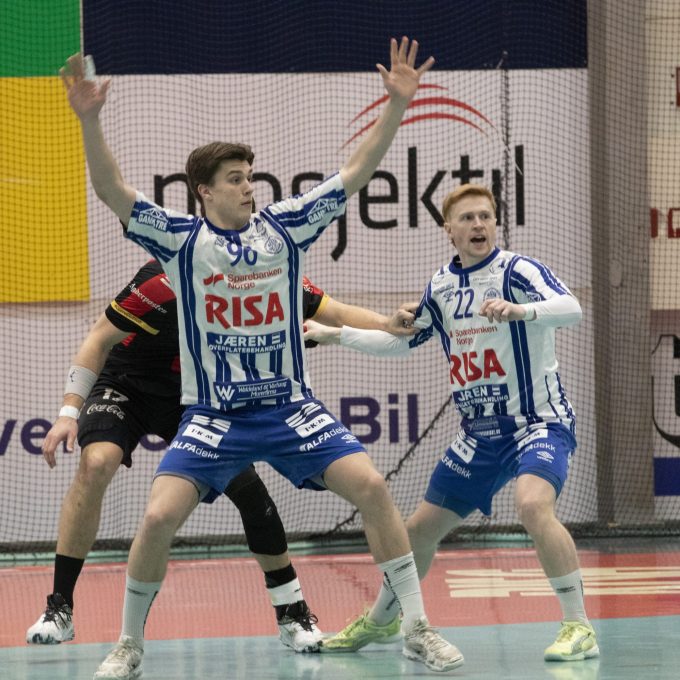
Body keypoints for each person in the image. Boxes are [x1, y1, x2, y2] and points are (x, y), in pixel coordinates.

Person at [61, 37, 464, 680]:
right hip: (214, 415)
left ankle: (417, 627)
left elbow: (355, 174)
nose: (249, 187)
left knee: (372, 487)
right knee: (159, 515)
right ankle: (129, 644)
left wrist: (396, 106)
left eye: (251, 176)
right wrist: (89, 119)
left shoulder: (285, 228)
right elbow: (112, 189)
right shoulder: (181, 242)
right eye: (235, 179)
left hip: (288, 407)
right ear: (204, 191)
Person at [27, 261, 406, 654]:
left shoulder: (266, 272)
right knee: (96, 463)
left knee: (248, 488)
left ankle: (292, 612)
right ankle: (60, 607)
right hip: (127, 385)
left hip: (195, 396)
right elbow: (98, 338)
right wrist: (68, 413)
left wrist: (387, 323)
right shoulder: (162, 281)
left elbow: (334, 312)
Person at [305, 183, 599, 663]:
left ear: (495, 224)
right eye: (467, 218)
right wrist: (336, 335)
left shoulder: (518, 271)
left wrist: (521, 310)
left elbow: (572, 308)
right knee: (418, 532)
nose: (479, 224)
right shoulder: (441, 286)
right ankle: (383, 619)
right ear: (449, 230)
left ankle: (579, 625)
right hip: (478, 435)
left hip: (536, 424)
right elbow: (402, 341)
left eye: (486, 216)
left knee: (532, 505)